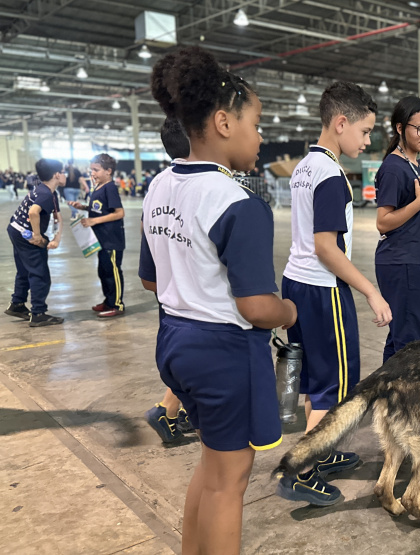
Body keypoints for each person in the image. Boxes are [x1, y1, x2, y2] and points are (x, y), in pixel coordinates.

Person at [144, 45, 296, 555]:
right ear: (225, 122)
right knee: (230, 484)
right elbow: (256, 307)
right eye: (256, 123)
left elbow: (150, 281)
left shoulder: (160, 186)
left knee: (211, 468)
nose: (261, 136)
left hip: (175, 343)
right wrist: (290, 312)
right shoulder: (238, 202)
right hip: (225, 355)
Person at [277, 82, 393, 504]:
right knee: (335, 389)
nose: (366, 140)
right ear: (340, 123)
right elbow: (327, 248)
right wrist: (371, 292)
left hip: (297, 283)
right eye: (364, 132)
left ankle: (320, 456)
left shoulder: (305, 166)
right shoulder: (331, 176)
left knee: (315, 381)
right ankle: (300, 472)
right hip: (324, 290)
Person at [144, 117, 196, 444]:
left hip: (169, 297)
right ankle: (168, 408)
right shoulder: (214, 188)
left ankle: (171, 409)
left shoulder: (158, 183)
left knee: (185, 363)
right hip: (195, 302)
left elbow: (148, 271)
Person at [374, 95, 420, 362]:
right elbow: (383, 222)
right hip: (401, 262)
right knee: (413, 342)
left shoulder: (413, 164)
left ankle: (386, 397)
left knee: (400, 337)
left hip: (412, 260)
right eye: (419, 128)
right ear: (400, 128)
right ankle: (407, 402)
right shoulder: (394, 168)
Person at [5, 159, 64, 327]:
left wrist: (56, 238)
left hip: (15, 229)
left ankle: (17, 304)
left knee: (24, 269)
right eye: (63, 171)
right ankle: (38, 313)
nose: (65, 175)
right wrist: (37, 236)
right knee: (40, 273)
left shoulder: (46, 191)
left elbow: (57, 217)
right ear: (57, 175)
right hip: (26, 234)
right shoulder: (46, 194)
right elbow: (33, 212)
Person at [68, 153, 127, 318]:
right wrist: (84, 207)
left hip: (112, 239)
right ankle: (108, 301)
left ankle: (117, 304)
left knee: (112, 271)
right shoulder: (98, 187)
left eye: (96, 170)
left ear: (108, 171)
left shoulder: (110, 188)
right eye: (91, 169)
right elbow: (101, 208)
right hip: (101, 239)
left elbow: (119, 213)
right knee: (103, 271)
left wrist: (94, 221)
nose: (92, 173)